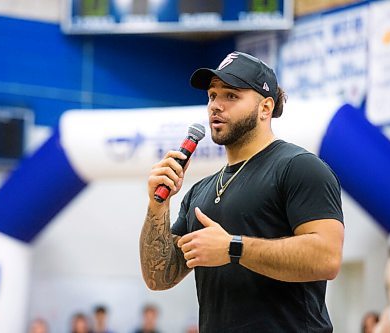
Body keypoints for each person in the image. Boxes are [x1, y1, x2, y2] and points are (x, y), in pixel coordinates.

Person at [139, 51, 345, 332]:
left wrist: (233, 248)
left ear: (265, 108)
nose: (215, 106)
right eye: (212, 96)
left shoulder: (299, 167)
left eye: (231, 96)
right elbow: (159, 276)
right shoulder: (199, 191)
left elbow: (326, 258)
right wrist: (157, 207)